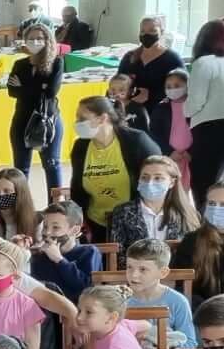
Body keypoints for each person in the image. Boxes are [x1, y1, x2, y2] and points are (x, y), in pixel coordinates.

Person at [69, 96, 162, 241]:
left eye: (82, 118)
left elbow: (159, 175)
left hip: (135, 222)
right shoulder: (80, 147)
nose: (77, 123)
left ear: (103, 118)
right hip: (96, 223)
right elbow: (77, 188)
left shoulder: (136, 141)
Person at [187, 19, 224, 193]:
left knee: (203, 183)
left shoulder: (204, 63)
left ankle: (204, 218)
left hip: (208, 129)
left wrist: (183, 110)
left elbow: (195, 103)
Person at [8, 24, 66, 191]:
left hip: (48, 119)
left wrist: (24, 86)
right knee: (21, 168)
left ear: (48, 41)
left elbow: (50, 92)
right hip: (22, 119)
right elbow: (12, 91)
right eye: (31, 39)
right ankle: (21, 207)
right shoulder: (20, 64)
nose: (35, 42)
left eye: (40, 38)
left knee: (51, 164)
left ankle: (56, 207)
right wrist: (39, 87)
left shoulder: (56, 63)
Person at [119, 16, 185, 110]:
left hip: (162, 113)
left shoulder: (172, 59)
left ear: (161, 32)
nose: (147, 34)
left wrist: (151, 95)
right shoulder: (129, 57)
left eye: (152, 31)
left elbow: (182, 88)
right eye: (142, 31)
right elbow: (117, 82)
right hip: (132, 113)